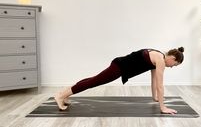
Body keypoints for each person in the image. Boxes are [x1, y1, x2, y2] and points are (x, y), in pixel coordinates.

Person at [54, 47, 184, 115]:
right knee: (93, 82)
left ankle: (65, 94)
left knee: (92, 80)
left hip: (119, 65)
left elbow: (154, 81)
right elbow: (161, 86)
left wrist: (155, 98)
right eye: (175, 64)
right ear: (172, 58)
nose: (172, 67)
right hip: (119, 67)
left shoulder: (158, 55)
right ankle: (60, 96)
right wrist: (163, 107)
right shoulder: (160, 60)